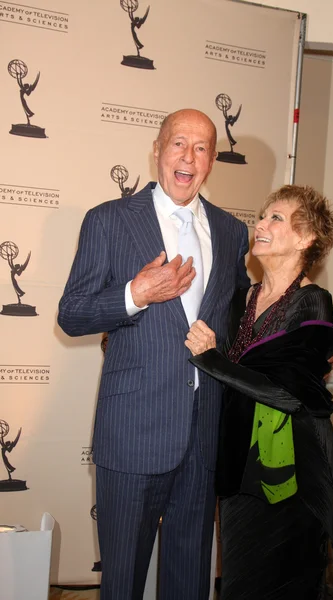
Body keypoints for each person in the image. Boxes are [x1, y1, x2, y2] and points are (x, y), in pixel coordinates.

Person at [57, 108, 250, 600]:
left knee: (189, 580)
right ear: (158, 150)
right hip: (133, 431)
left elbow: (235, 322)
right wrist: (135, 294)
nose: (189, 157)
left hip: (203, 434)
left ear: (211, 162)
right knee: (122, 579)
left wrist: (291, 347)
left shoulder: (231, 232)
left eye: (202, 147)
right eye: (179, 144)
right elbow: (72, 313)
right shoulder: (109, 220)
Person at [186, 185, 333, 600]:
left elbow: (288, 394)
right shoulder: (243, 299)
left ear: (306, 237)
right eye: (262, 215)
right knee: (240, 580)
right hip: (239, 462)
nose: (261, 223)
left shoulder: (314, 303)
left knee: (286, 580)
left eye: (276, 217)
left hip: (290, 468)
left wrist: (211, 359)